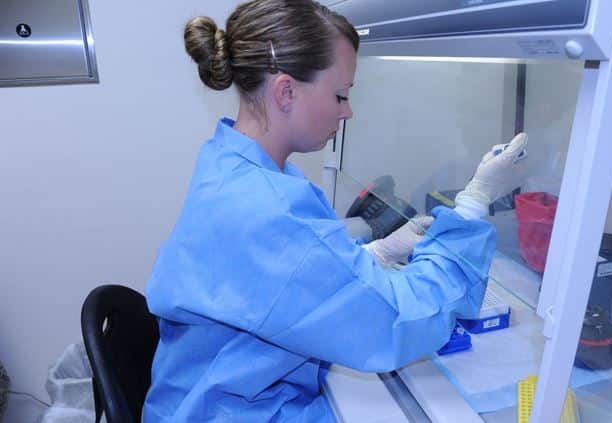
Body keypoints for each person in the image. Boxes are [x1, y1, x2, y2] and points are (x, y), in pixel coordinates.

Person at [142, 0, 528, 421]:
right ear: (286, 91)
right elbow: (397, 320)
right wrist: (473, 201)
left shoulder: (230, 160)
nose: (348, 111)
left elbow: (264, 281)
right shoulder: (270, 208)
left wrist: (371, 255)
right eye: (340, 95)